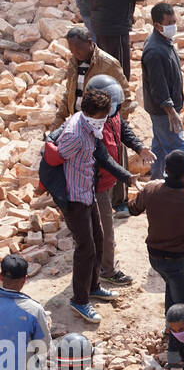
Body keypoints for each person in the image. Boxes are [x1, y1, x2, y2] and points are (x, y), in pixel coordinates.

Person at [55, 87, 132, 323]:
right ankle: (79, 300)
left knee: (98, 241)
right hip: (74, 199)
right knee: (85, 249)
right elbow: (53, 161)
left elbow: (102, 156)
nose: (106, 120)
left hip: (87, 193)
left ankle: (94, 286)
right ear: (92, 114)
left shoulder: (90, 126)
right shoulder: (74, 134)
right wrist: (61, 197)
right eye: (103, 116)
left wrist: (126, 176)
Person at [128, 150, 184, 360]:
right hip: (179, 260)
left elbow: (133, 209)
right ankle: (174, 355)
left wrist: (141, 191)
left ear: (165, 170)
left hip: (155, 258)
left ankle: (168, 327)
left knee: (172, 290)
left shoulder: (151, 189)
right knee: (182, 308)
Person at [83, 76, 149, 292]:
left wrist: (139, 147)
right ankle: (107, 272)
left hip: (109, 181)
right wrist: (127, 176)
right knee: (105, 231)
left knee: (103, 229)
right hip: (98, 185)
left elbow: (123, 129)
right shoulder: (93, 125)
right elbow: (104, 159)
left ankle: (101, 266)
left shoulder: (109, 115)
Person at [139, 2, 184, 179]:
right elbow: (158, 86)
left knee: (159, 146)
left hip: (162, 110)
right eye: (169, 23)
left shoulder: (163, 41)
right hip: (163, 112)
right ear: (157, 25)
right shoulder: (155, 50)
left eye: (174, 21)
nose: (174, 26)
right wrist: (171, 112)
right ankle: (182, 190)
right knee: (177, 151)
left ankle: (157, 183)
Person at [54, 26, 128, 129]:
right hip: (79, 123)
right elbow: (69, 92)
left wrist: (117, 127)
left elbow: (124, 97)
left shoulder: (108, 64)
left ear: (89, 43)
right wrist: (59, 118)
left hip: (100, 125)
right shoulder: (73, 62)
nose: (76, 53)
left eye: (79, 49)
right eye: (72, 50)